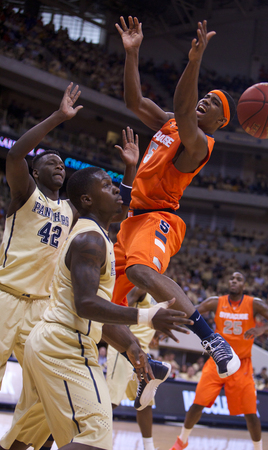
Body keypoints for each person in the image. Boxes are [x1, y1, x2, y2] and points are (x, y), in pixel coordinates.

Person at [0, 164, 193, 450]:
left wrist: (131, 348)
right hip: (65, 345)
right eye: (106, 185)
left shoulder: (97, 236)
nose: (116, 189)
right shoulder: (90, 240)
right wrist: (147, 316)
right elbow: (87, 304)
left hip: (50, 342)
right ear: (87, 200)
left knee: (27, 436)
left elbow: (96, 311)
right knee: (96, 436)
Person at [113, 15, 240, 395]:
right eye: (206, 95)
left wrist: (194, 61)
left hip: (160, 218)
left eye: (213, 103)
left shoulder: (201, 143)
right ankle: (145, 363)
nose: (206, 99)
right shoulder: (168, 122)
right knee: (100, 306)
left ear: (218, 123)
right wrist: (132, 54)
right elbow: (134, 100)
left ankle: (212, 339)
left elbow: (185, 113)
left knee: (138, 271)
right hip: (131, 219)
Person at [0, 82, 83, 390]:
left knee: (43, 385)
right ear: (36, 172)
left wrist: (130, 170)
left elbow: (111, 206)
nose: (59, 164)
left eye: (61, 163)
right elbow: (15, 155)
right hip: (6, 295)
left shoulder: (71, 210)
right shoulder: (25, 192)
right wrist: (59, 117)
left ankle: (21, 441)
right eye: (51, 161)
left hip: (42, 307)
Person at [168, 271, 268, 450]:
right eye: (231, 278)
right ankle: (182, 440)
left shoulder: (254, 304)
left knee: (251, 414)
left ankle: (258, 448)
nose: (234, 281)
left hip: (242, 365)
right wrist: (169, 321)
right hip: (217, 361)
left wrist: (262, 330)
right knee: (197, 404)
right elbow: (190, 311)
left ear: (244, 286)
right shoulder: (216, 302)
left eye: (238, 279)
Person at [106, 286, 170, 450]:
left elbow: (151, 318)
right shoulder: (140, 288)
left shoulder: (158, 294)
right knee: (111, 400)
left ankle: (149, 447)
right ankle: (92, 440)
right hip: (124, 347)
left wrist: (155, 332)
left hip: (143, 351)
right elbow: (119, 312)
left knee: (145, 402)